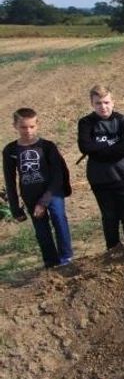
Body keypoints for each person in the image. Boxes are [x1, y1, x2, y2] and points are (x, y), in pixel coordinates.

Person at [4, 108, 73, 267]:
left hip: (52, 192)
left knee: (58, 218)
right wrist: (15, 209)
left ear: (37, 125)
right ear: (15, 126)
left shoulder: (47, 147)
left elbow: (58, 175)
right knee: (41, 229)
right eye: (23, 127)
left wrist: (44, 202)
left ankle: (66, 258)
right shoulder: (10, 150)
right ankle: (50, 261)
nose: (28, 131)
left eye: (31, 126)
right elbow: (10, 181)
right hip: (30, 195)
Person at [77, 85, 124, 249]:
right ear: (92, 104)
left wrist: (98, 151)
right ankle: (112, 252)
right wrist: (112, 149)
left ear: (113, 102)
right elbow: (85, 147)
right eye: (98, 103)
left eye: (106, 102)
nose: (103, 107)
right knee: (109, 217)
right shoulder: (86, 123)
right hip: (101, 179)